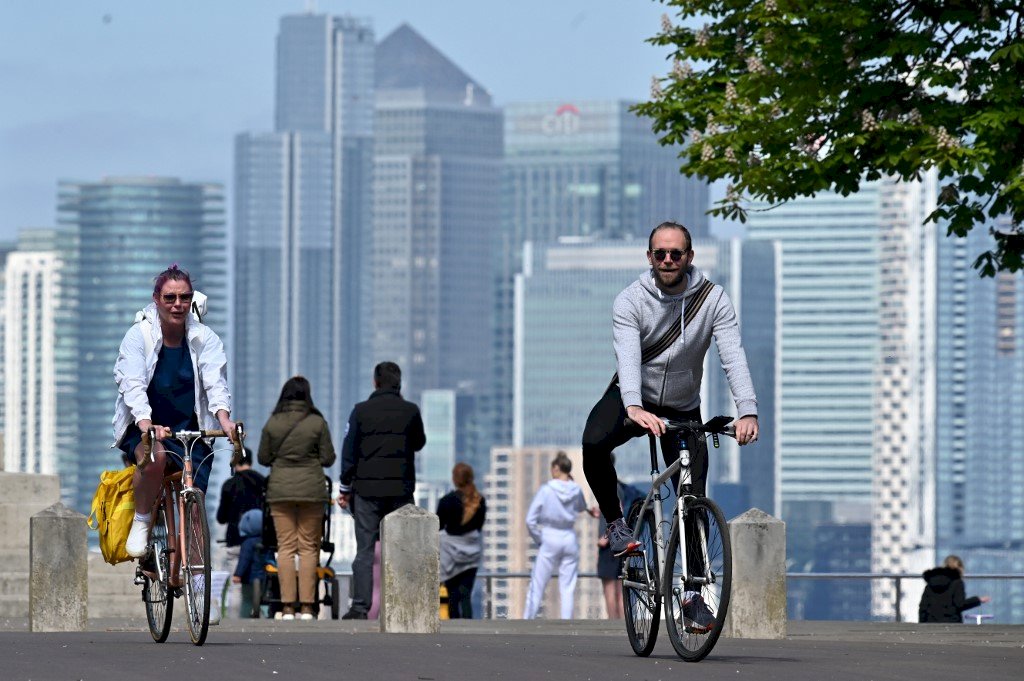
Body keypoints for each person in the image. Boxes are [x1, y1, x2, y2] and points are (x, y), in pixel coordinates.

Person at [581, 221, 759, 632]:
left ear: (689, 257)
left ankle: (695, 595)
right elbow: (627, 356)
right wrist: (633, 407)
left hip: (682, 406)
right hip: (631, 396)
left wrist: (747, 410)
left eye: (675, 253)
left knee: (693, 499)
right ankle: (617, 524)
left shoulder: (713, 300)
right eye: (659, 254)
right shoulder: (630, 300)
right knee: (592, 442)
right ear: (649, 257)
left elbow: (733, 357)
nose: (667, 260)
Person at [114, 265, 236, 562]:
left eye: (184, 297)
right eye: (170, 298)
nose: (177, 305)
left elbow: (214, 383)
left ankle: (195, 577)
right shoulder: (139, 336)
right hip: (148, 427)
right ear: (156, 299)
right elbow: (132, 384)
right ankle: (143, 521)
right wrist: (146, 424)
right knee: (154, 457)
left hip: (188, 431)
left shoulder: (204, 338)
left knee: (195, 497)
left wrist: (224, 420)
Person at [336, 361, 426, 620]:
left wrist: (345, 487)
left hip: (366, 490)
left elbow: (349, 451)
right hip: (401, 491)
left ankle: (360, 607)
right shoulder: (410, 411)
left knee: (365, 550)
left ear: (375, 382)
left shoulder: (360, 411)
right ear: (400, 384)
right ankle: (404, 607)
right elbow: (419, 443)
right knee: (402, 549)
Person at [257, 376, 336, 621]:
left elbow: (262, 457)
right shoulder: (317, 422)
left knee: (286, 548)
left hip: (280, 491)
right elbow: (328, 458)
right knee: (309, 548)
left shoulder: (273, 422)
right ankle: (307, 607)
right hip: (312, 490)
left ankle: (288, 606)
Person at [523, 452, 599, 620]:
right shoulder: (576, 488)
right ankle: (566, 622)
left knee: (538, 584)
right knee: (568, 586)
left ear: (556, 468)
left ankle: (528, 619)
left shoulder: (547, 490)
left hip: (549, 535)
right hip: (569, 537)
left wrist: (539, 539)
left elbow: (530, 520)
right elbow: (581, 506)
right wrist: (589, 511)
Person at [595, 455, 643, 620]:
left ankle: (613, 622)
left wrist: (604, 539)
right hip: (621, 541)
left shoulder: (608, 485)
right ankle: (622, 622)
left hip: (610, 544)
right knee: (619, 586)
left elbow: (618, 511)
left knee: (609, 588)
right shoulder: (618, 485)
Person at [436, 462, 486, 619]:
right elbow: (479, 527)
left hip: (450, 555)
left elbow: (438, 525)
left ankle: (455, 631)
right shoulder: (480, 501)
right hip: (472, 554)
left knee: (451, 597)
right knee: (466, 596)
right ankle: (468, 627)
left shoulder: (446, 501)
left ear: (454, 479)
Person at [919, 554, 991, 623]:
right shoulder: (957, 583)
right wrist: (978, 600)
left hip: (931, 624)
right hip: (951, 624)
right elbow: (960, 604)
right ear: (959, 567)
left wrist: (922, 626)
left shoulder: (931, 582)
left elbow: (923, 607)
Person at [232, 507, 268, 617]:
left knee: (246, 600)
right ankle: (266, 617)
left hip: (248, 578)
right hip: (265, 577)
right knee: (265, 599)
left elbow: (244, 560)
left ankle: (244, 618)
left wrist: (238, 574)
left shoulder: (247, 543)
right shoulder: (266, 541)